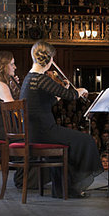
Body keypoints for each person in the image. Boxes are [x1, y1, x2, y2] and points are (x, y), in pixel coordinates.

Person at [19, 40, 102, 198]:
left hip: (35, 131)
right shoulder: (41, 79)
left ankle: (66, 188)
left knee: (74, 143)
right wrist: (81, 90)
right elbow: (71, 95)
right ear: (49, 59)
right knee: (86, 140)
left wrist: (61, 91)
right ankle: (75, 184)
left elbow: (48, 101)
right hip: (44, 132)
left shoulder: (30, 78)